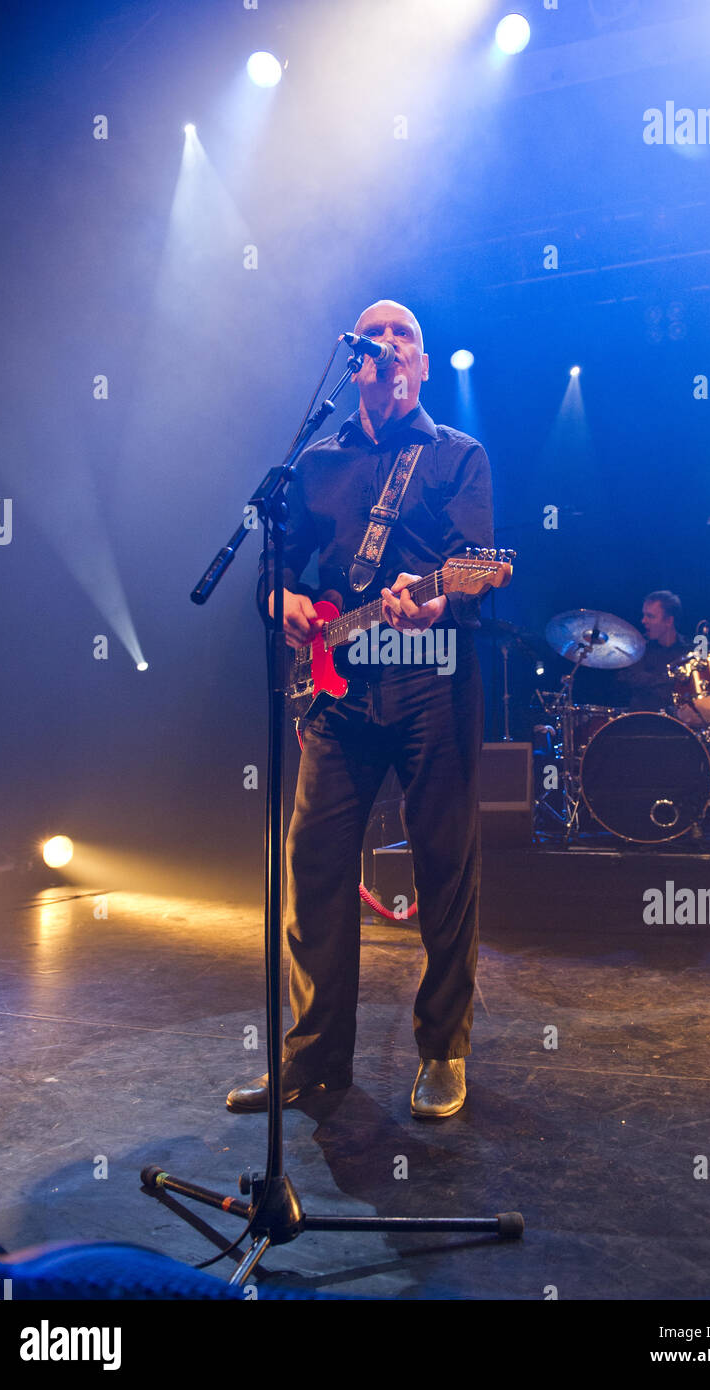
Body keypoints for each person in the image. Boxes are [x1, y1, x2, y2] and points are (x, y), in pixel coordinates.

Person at [226, 300, 494, 1120]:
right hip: (335, 693)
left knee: (444, 871)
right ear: (356, 362)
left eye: (404, 334)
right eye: (375, 335)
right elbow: (281, 569)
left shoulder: (458, 456)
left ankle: (442, 1052)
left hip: (429, 683)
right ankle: (312, 1059)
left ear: (420, 361)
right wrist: (284, 602)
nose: (389, 344)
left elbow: (474, 572)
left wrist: (435, 606)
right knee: (313, 875)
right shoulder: (313, 462)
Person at [616, 590, 696, 720]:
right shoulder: (638, 648)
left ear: (669, 621)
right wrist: (672, 680)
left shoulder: (690, 651)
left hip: (683, 727)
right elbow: (629, 678)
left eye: (650, 616)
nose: (643, 621)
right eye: (644, 615)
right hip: (643, 726)